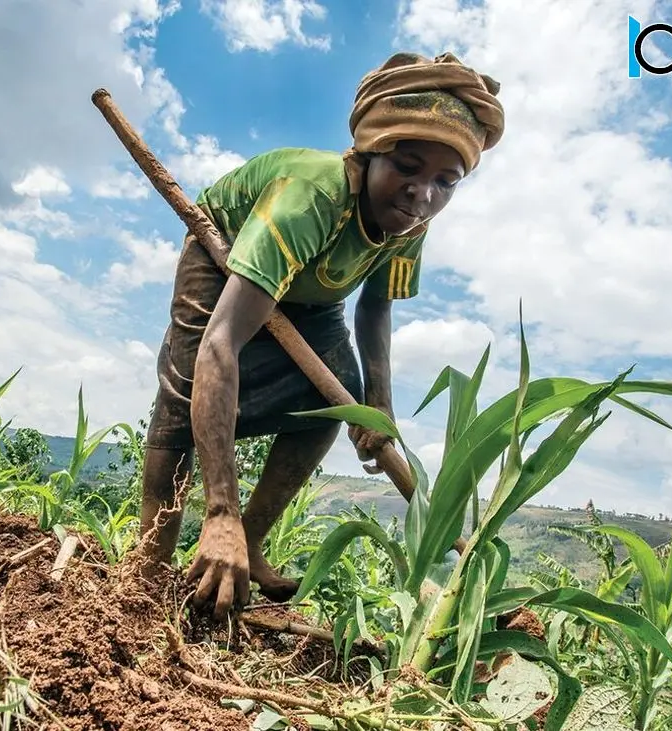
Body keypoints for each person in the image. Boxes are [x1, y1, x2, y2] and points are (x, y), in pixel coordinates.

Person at [136, 51, 505, 617]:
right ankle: (151, 566)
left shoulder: (412, 221)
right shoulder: (311, 197)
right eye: (407, 166)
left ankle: (250, 543)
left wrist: (377, 412)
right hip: (226, 259)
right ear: (369, 151)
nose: (422, 194)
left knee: (336, 402)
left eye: (444, 182)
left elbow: (375, 308)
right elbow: (219, 346)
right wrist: (219, 511)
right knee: (185, 395)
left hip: (314, 296)